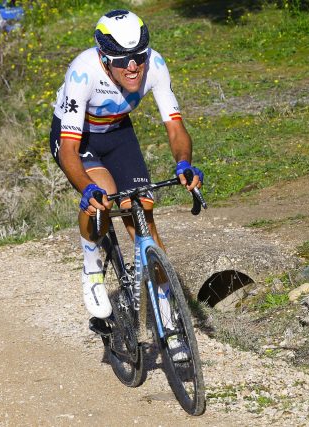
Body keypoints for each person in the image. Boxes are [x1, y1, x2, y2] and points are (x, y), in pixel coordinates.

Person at [49, 10, 203, 357]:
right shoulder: (82, 72)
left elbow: (175, 128)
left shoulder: (156, 66)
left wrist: (183, 163)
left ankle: (169, 320)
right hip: (79, 140)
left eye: (138, 57)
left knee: (144, 216)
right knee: (103, 197)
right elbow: (70, 149)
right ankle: (91, 268)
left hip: (119, 134)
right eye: (122, 61)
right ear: (104, 58)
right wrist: (87, 188)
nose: (133, 67)